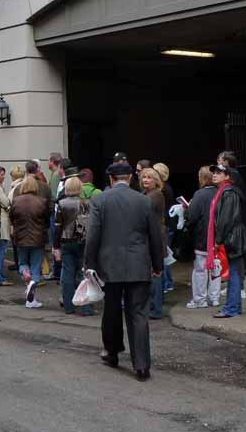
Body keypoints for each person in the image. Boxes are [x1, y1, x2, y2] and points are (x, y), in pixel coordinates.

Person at [84, 161, 164, 381]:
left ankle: (112, 351)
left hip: (109, 265)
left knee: (111, 311)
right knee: (139, 314)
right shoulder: (144, 201)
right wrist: (158, 265)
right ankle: (141, 364)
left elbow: (93, 235)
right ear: (130, 177)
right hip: (138, 264)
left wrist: (89, 264)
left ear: (111, 179)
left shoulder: (100, 199)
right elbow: (155, 235)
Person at [209, 163, 246, 320]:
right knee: (235, 272)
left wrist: (218, 240)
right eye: (214, 172)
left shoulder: (228, 192)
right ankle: (235, 306)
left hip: (232, 238)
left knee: (234, 273)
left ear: (227, 176)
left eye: (219, 172)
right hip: (234, 236)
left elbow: (226, 220)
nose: (214, 174)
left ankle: (231, 308)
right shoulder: (225, 191)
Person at [53, 175, 93, 315]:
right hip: (83, 240)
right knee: (83, 273)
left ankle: (69, 306)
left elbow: (57, 227)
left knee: (67, 274)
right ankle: (86, 307)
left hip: (67, 240)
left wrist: (55, 246)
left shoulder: (62, 204)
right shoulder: (87, 203)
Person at [9, 175, 50, 308]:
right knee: (36, 265)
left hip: (20, 238)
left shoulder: (16, 201)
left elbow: (12, 218)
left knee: (22, 263)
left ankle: (25, 274)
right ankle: (33, 290)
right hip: (38, 239)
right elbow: (46, 221)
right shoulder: (42, 201)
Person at [185, 165, 221, 308]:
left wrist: (186, 211)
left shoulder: (199, 194)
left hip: (202, 237)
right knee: (216, 268)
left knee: (200, 269)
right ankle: (215, 297)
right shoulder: (220, 192)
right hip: (218, 238)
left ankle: (200, 299)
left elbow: (192, 217)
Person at [140, 168, 167, 320]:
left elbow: (143, 209)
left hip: (155, 238)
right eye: (144, 177)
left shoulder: (156, 195)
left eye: (149, 177)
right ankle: (151, 305)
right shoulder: (145, 194)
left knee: (155, 274)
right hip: (148, 237)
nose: (145, 180)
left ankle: (156, 308)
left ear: (156, 180)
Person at [153, 163, 175, 293]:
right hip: (168, 224)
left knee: (164, 255)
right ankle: (168, 282)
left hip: (165, 225)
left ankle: (167, 282)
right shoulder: (166, 188)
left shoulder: (163, 189)